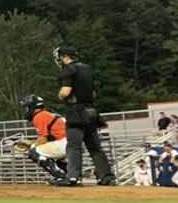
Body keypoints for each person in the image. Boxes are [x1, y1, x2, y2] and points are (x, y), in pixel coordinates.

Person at [53, 46, 117, 186]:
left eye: (61, 57)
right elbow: (93, 93)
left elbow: (65, 92)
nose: (60, 60)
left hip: (76, 113)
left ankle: (73, 178)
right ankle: (106, 177)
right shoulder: (86, 69)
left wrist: (60, 95)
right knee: (95, 147)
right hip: (91, 112)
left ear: (65, 57)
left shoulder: (68, 70)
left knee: (74, 146)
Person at [18, 94, 69, 180]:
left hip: (66, 143)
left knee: (34, 152)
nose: (26, 110)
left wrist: (32, 146)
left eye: (26, 107)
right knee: (50, 153)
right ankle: (71, 176)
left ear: (31, 107)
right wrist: (33, 143)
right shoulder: (48, 113)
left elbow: (43, 139)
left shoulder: (39, 116)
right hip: (72, 142)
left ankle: (61, 176)